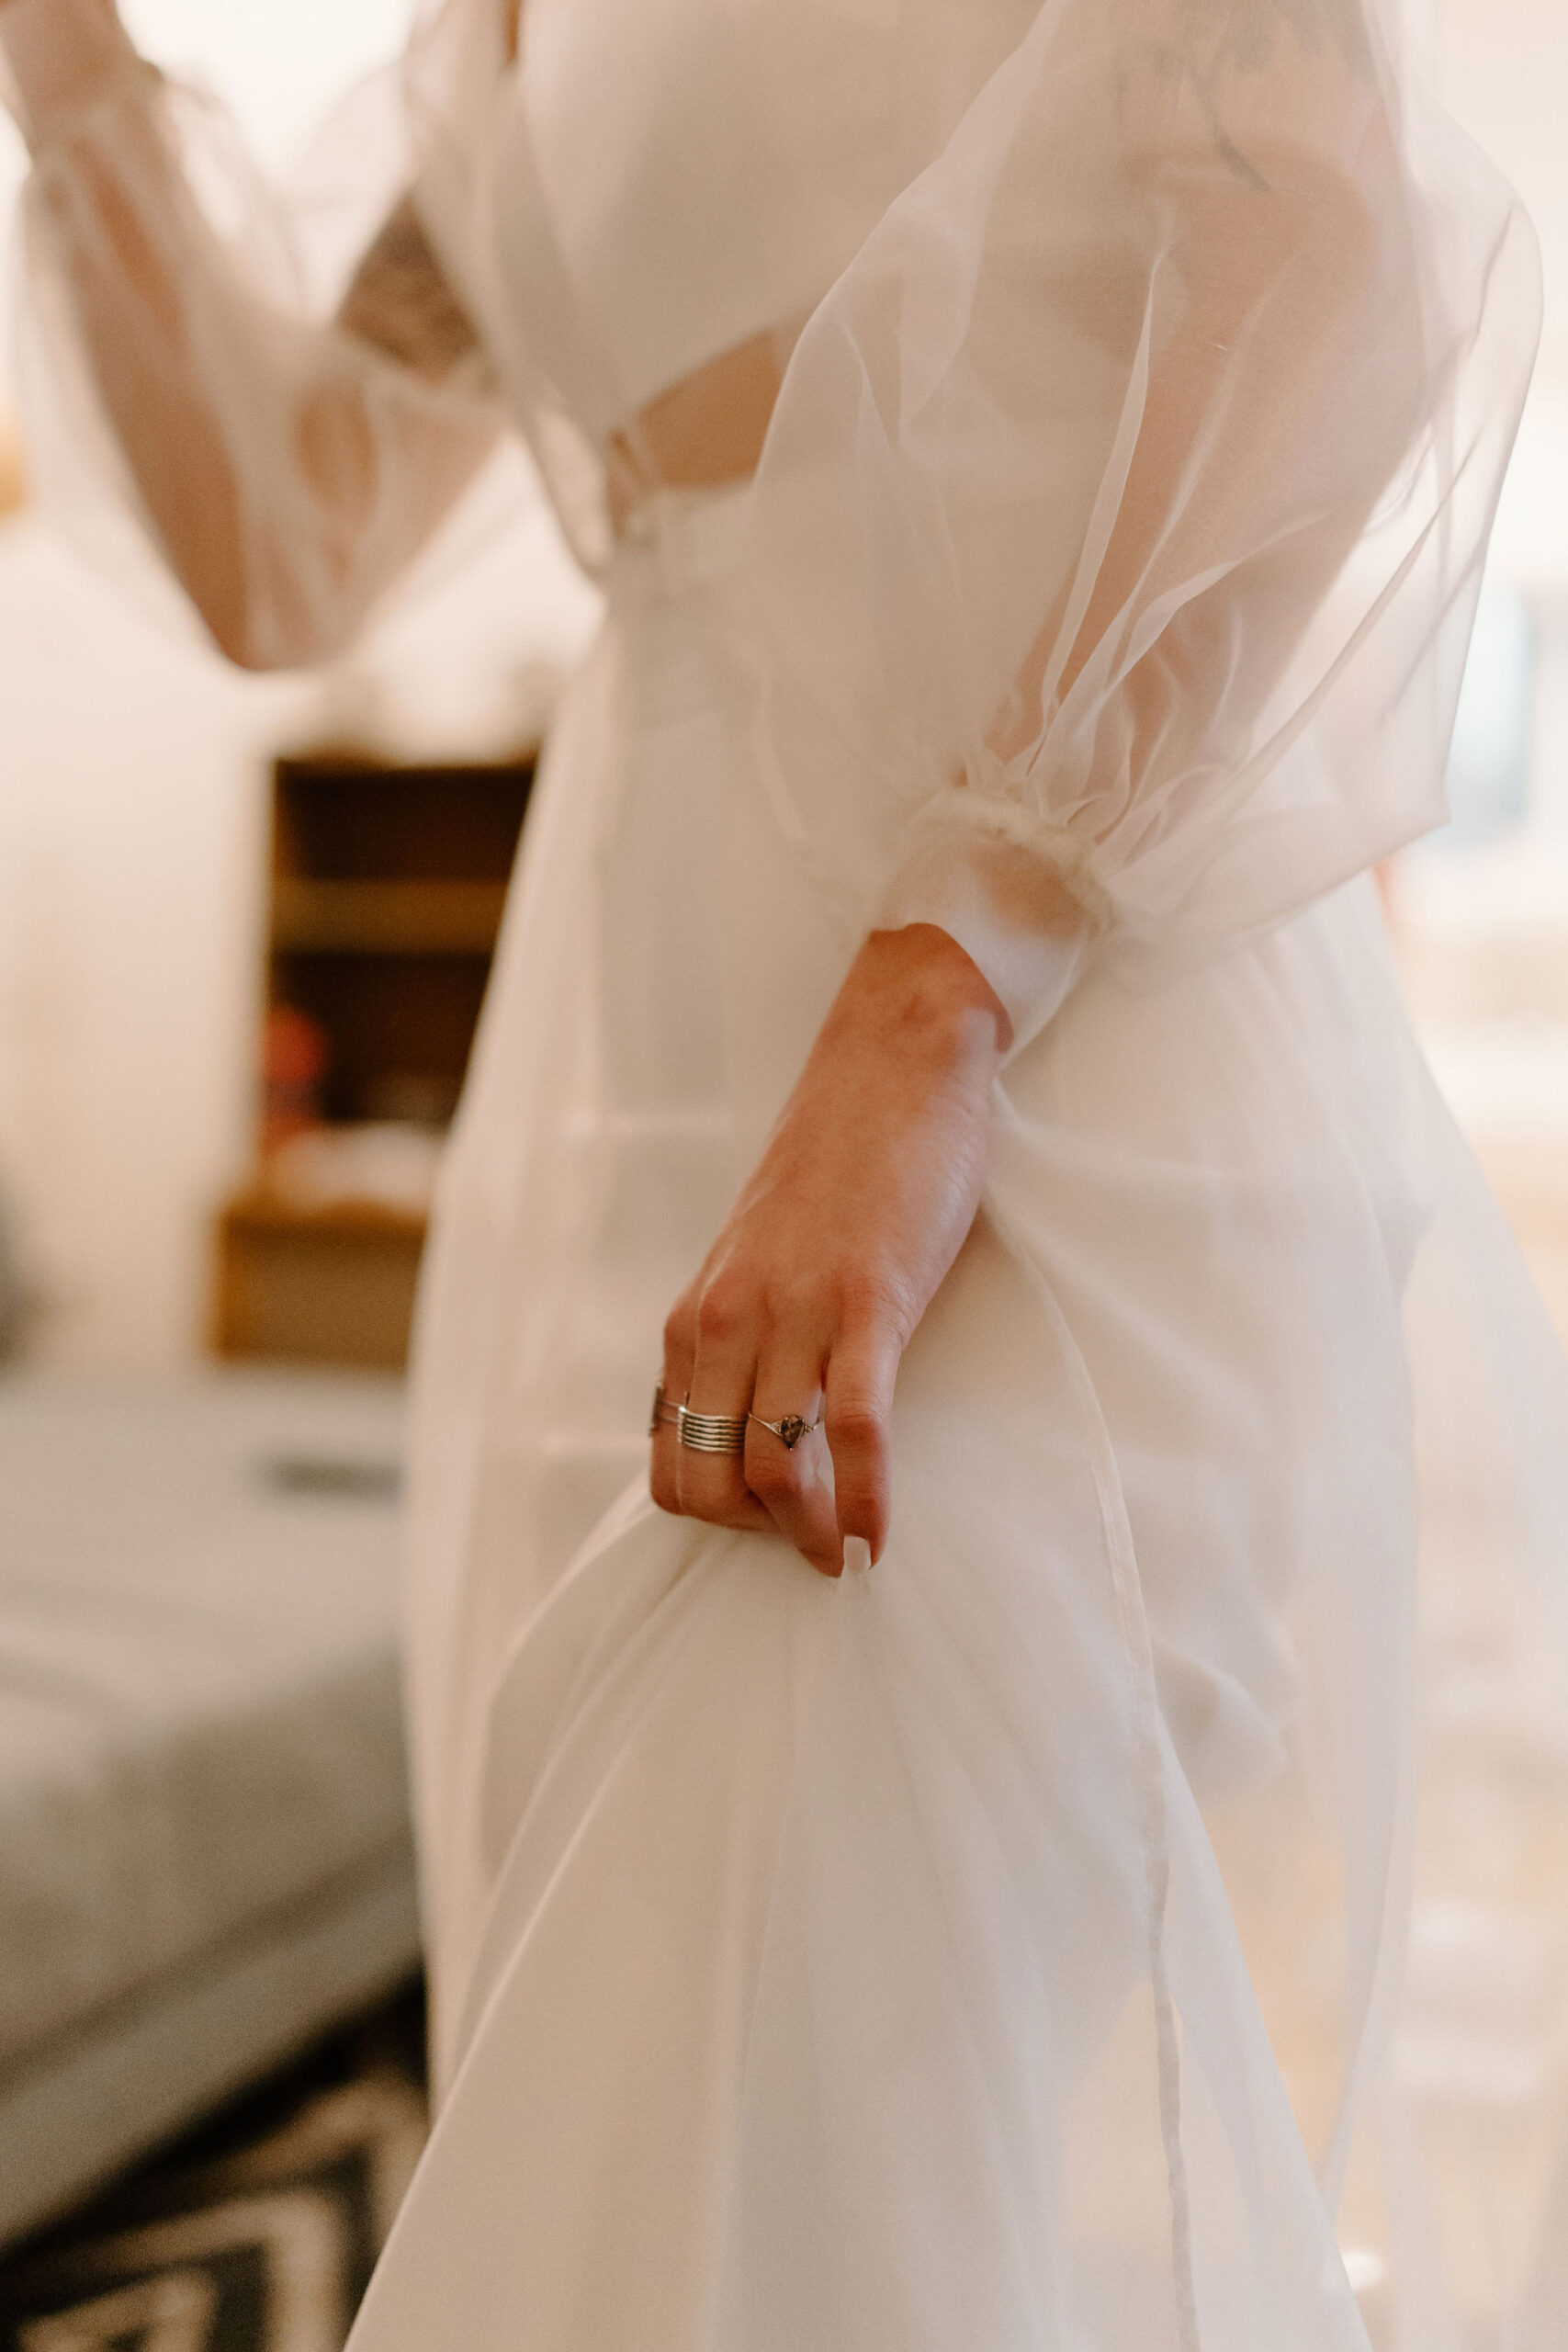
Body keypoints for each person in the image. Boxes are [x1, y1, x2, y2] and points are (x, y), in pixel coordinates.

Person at [3, 0, 1565, 2342]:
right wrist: (65, 60)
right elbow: (280, 538)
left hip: (1022, 1054)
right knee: (724, 2105)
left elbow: (1314, 234)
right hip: (616, 1092)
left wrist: (940, 990)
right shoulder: (487, 41)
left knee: (751, 2026)